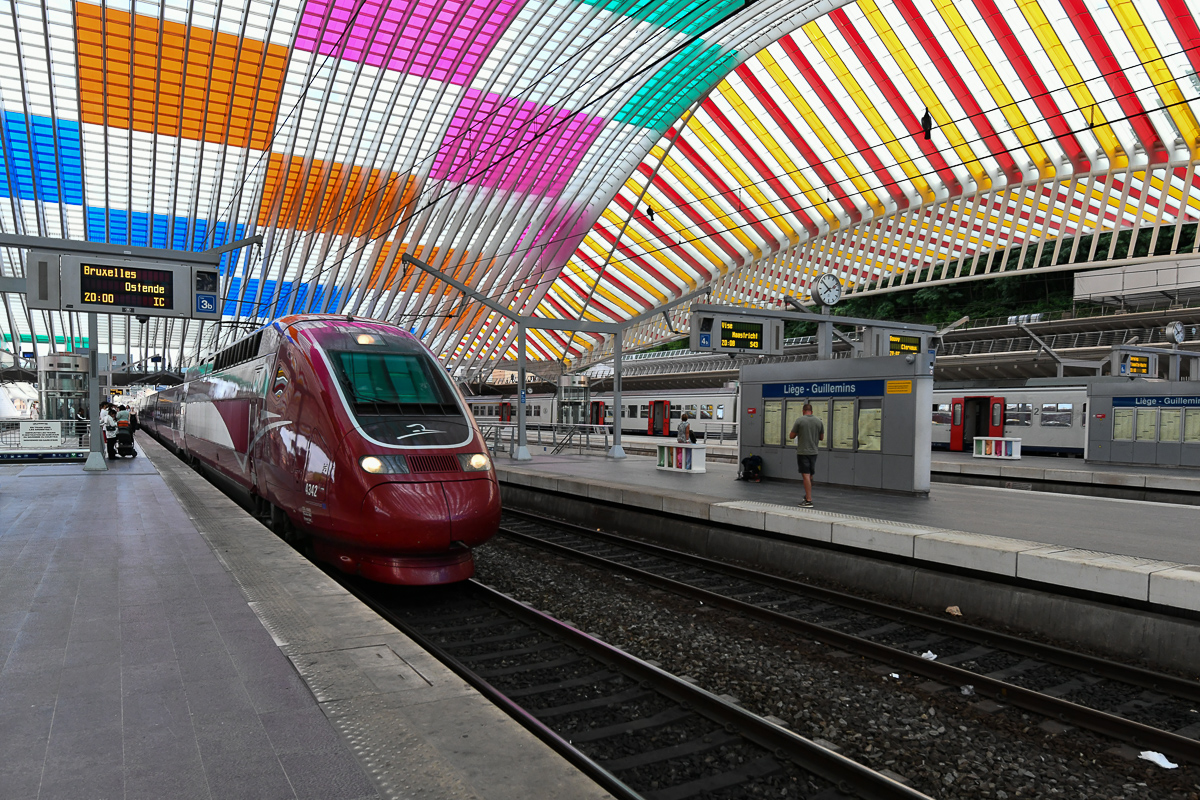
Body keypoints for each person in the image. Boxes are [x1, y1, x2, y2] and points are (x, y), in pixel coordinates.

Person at [788, 403, 824, 508]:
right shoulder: (819, 421)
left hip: (803, 452)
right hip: (814, 452)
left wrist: (800, 433)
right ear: (811, 412)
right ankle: (807, 495)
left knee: (805, 475)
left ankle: (808, 500)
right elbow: (821, 438)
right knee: (810, 475)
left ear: (803, 411)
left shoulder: (800, 420)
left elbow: (791, 436)